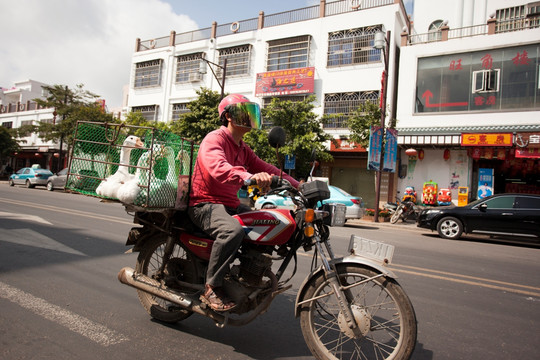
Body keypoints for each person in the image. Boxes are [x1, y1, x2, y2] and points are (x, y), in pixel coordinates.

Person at [188, 94, 299, 312]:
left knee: (268, 222)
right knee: (232, 231)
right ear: (228, 116)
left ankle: (247, 276)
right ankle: (212, 287)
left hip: (229, 204)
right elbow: (217, 166)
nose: (248, 118)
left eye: (251, 113)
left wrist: (298, 184)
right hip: (204, 203)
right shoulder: (215, 139)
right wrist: (248, 176)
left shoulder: (242, 148)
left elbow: (265, 167)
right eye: (243, 113)